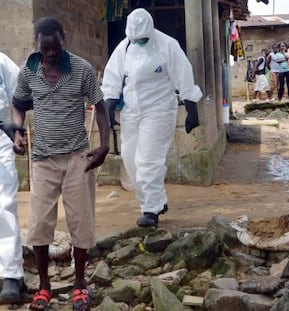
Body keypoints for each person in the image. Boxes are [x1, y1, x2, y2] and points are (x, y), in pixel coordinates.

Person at [11, 16, 110, 310]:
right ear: (37, 45)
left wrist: (104, 146)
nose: (52, 54)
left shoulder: (81, 69)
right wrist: (17, 131)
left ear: (63, 40)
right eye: (46, 49)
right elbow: (18, 104)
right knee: (40, 226)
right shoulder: (28, 72)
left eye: (56, 47)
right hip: (43, 160)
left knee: (81, 223)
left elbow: (101, 108)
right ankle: (44, 287)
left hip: (78, 157)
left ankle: (80, 284)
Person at [101, 8, 202, 228]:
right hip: (131, 111)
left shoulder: (168, 45)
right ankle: (157, 200)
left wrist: (192, 110)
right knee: (129, 158)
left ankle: (151, 210)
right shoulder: (125, 47)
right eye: (136, 39)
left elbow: (183, 77)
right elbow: (112, 77)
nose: (139, 42)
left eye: (143, 39)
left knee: (148, 161)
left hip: (159, 110)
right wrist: (108, 105)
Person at [0, 52, 27, 305]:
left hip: (0, 138)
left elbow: (20, 93)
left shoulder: (1, 61)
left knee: (4, 204)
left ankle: (11, 275)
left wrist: (16, 128)